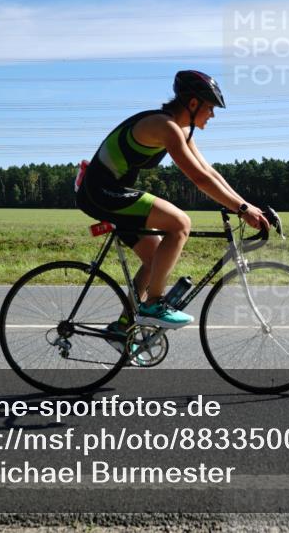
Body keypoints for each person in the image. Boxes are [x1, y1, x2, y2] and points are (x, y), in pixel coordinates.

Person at [76, 70, 270, 348]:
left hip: (109, 192)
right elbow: (199, 179)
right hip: (101, 192)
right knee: (180, 223)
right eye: (210, 107)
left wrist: (248, 206)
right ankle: (153, 304)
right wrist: (241, 210)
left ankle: (121, 329)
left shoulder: (179, 130)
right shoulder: (164, 126)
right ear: (193, 104)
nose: (212, 115)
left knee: (155, 260)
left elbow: (210, 172)